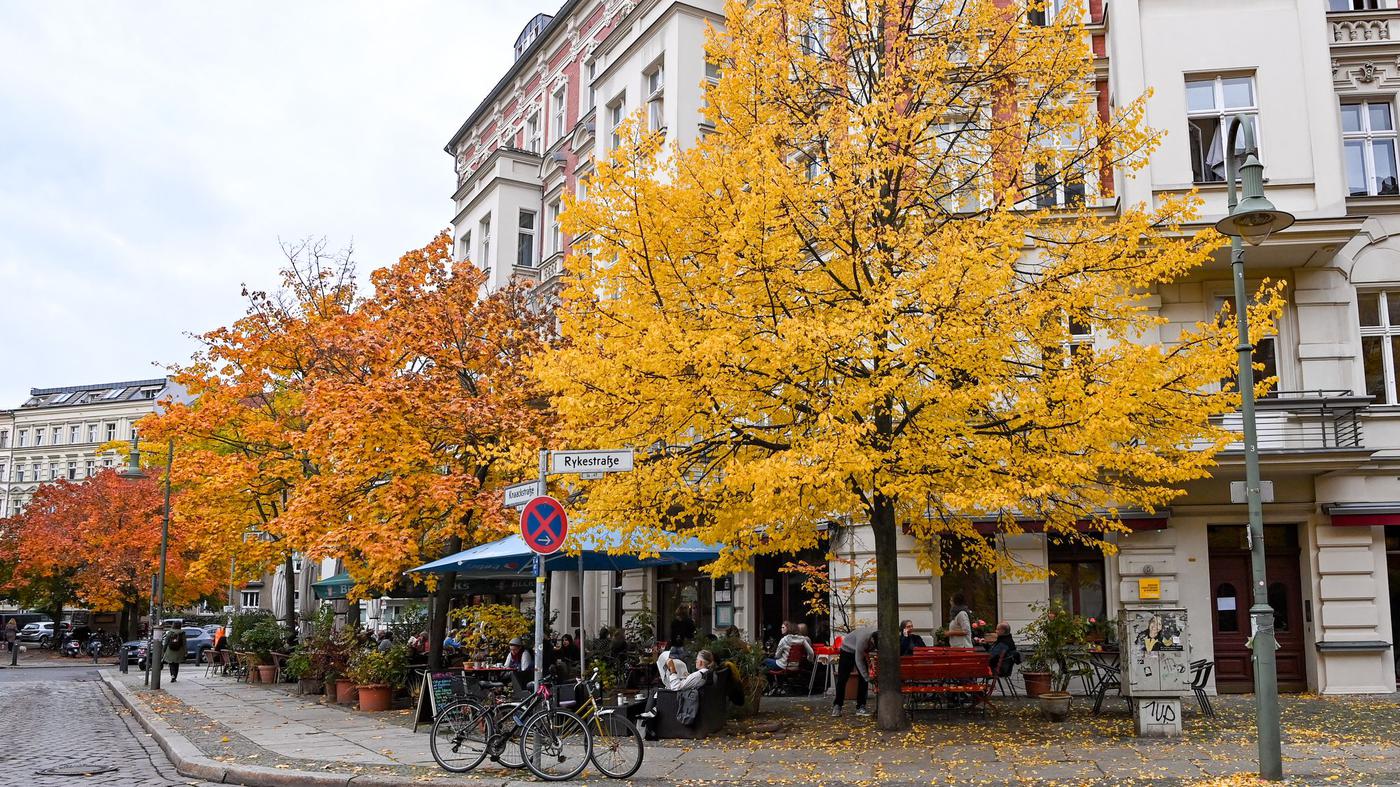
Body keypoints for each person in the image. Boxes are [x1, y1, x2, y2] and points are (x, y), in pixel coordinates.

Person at [831, 626, 877, 717]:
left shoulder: (880, 636)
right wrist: (867, 677)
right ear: (871, 639)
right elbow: (858, 660)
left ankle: (861, 706)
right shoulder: (863, 639)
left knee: (863, 680)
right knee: (842, 678)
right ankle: (837, 706)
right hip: (847, 649)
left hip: (862, 651)